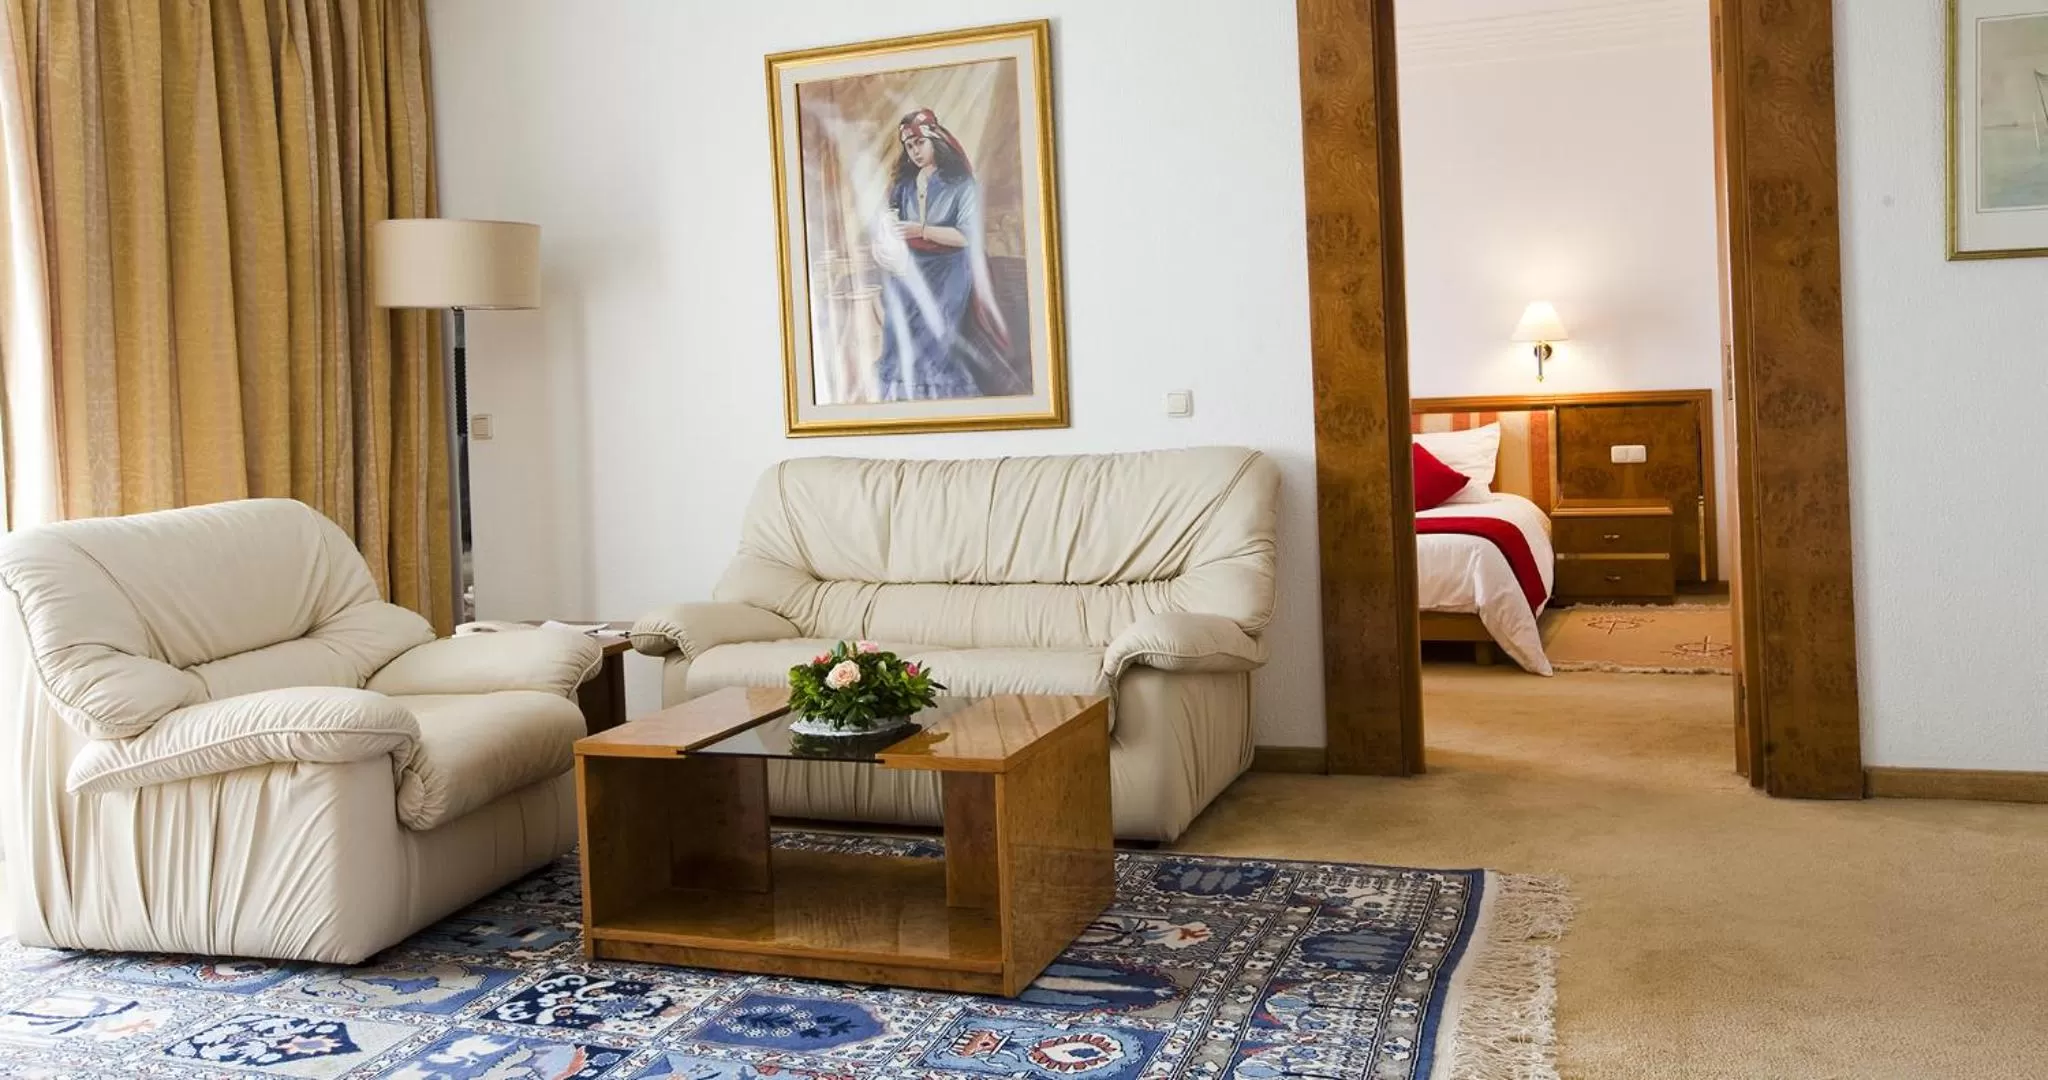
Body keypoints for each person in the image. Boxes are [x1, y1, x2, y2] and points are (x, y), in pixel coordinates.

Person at [870, 108, 1010, 401]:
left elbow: (966, 237)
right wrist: (885, 240)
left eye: (920, 143)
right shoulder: (903, 186)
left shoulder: (962, 185)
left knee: (937, 332)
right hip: (910, 267)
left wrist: (920, 230)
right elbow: (891, 226)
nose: (915, 151)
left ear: (936, 140)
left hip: (951, 267)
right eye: (909, 146)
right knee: (897, 328)